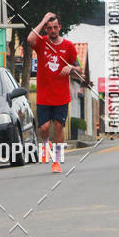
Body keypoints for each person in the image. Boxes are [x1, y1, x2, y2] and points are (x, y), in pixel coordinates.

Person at [28, 12, 84, 173]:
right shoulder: (41, 43)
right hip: (44, 96)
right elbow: (30, 39)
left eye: (55, 27)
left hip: (61, 96)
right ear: (46, 29)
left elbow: (79, 68)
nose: (53, 30)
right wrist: (43, 19)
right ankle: (46, 144)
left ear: (60, 27)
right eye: (49, 28)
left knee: (59, 126)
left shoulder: (68, 46)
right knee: (44, 128)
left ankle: (57, 160)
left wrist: (71, 68)